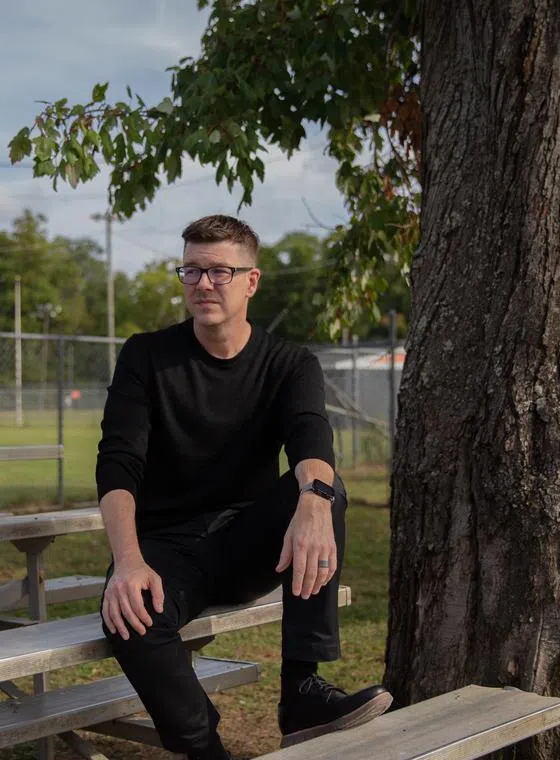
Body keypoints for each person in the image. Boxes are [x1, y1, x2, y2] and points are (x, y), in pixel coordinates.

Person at [96, 214, 392, 759]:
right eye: (191, 270)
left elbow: (310, 435)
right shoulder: (146, 355)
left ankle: (301, 691)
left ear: (251, 281)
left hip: (246, 543)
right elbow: (118, 463)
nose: (203, 284)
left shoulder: (288, 363)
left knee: (326, 493)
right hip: (166, 549)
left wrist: (313, 500)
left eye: (219, 272)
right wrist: (128, 562)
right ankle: (204, 747)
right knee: (129, 616)